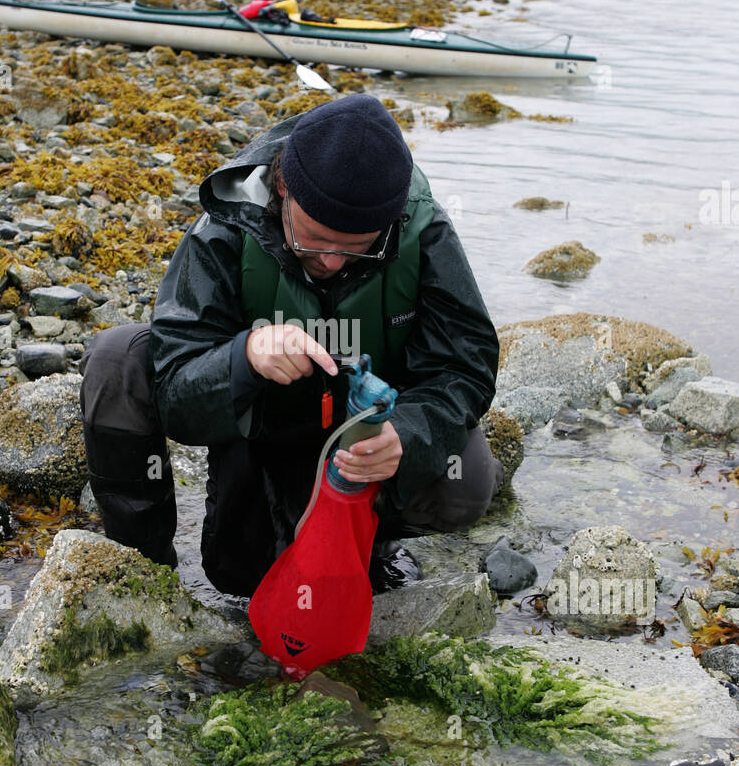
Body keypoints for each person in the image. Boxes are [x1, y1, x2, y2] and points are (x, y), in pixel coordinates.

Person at [79, 92, 503, 598]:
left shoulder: (422, 232)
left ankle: (374, 539)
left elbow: (464, 368)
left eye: (357, 248)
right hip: (256, 428)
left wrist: (405, 438)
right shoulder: (226, 229)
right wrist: (244, 357)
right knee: (117, 359)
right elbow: (177, 397)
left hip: (358, 438)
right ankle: (144, 582)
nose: (332, 263)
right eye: (315, 239)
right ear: (283, 187)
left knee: (466, 478)